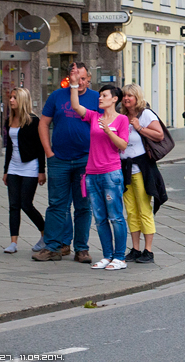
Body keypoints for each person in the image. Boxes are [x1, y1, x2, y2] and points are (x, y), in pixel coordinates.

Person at [33, 62, 100, 263]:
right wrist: (48, 152)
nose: (79, 82)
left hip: (85, 159)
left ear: (88, 79)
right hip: (59, 159)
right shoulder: (57, 96)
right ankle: (53, 246)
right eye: (75, 77)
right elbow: (43, 123)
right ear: (68, 78)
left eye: (82, 78)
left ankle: (82, 249)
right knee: (57, 205)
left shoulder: (96, 98)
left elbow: (105, 125)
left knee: (83, 206)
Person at [70, 82, 130, 270]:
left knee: (116, 216)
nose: (100, 98)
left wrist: (107, 130)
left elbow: (123, 145)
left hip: (111, 173)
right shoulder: (94, 116)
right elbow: (76, 106)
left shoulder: (121, 120)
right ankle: (107, 256)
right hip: (92, 174)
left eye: (104, 95)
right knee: (100, 218)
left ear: (114, 99)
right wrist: (73, 85)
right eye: (100, 95)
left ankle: (119, 257)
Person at [120, 84, 167, 263]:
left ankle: (148, 250)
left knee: (144, 209)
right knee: (131, 211)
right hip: (126, 168)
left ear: (137, 97)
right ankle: (135, 249)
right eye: (124, 96)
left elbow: (159, 135)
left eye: (130, 96)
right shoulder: (123, 116)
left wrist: (139, 128)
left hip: (142, 168)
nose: (126, 99)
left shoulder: (145, 114)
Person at [2, 87, 46, 254]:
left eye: (14, 97)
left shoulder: (34, 121)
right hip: (14, 166)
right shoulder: (9, 120)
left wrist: (42, 171)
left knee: (26, 204)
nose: (11, 100)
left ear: (22, 100)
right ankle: (13, 242)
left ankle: (45, 233)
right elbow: (10, 147)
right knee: (13, 205)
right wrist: (6, 170)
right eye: (11, 97)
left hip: (30, 166)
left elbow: (40, 147)